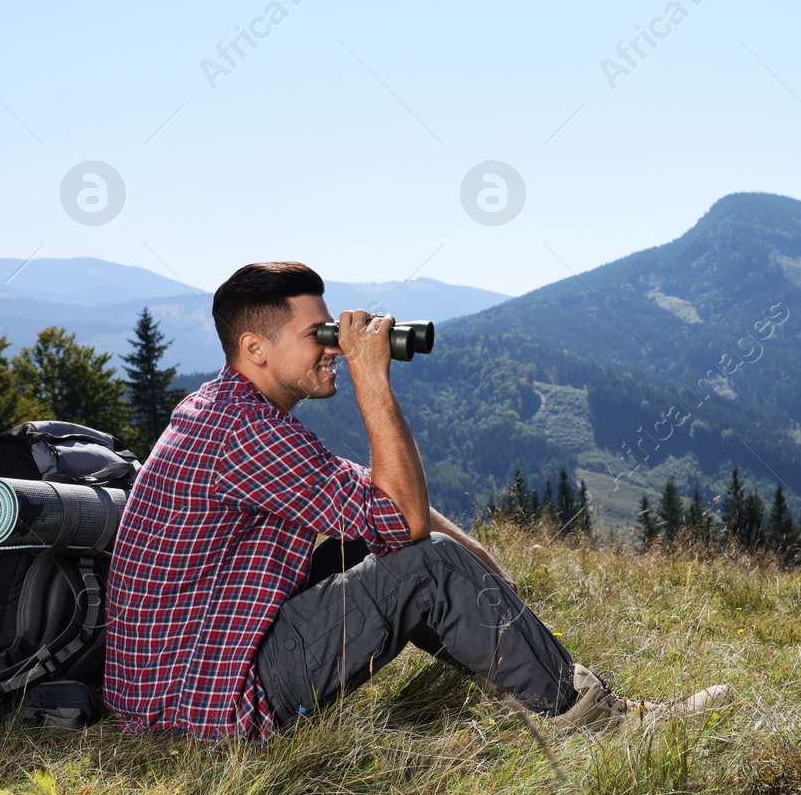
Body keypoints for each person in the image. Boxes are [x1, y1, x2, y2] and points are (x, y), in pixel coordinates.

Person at [105, 261, 726, 741]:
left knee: (403, 549)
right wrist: (371, 379)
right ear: (255, 348)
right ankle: (605, 725)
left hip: (174, 682)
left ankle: (536, 690)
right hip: (203, 705)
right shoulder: (245, 430)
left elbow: (353, 487)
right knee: (424, 566)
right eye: (314, 334)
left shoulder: (227, 411)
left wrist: (470, 548)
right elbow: (400, 520)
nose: (333, 346)